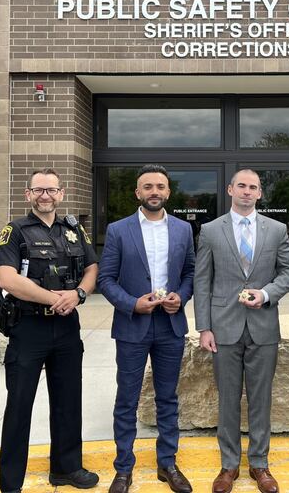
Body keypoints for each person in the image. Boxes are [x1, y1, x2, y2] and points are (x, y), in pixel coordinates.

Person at [0, 168, 99, 493]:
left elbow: (92, 267)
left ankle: (66, 469)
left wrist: (78, 294)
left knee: (69, 401)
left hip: (67, 328)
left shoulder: (74, 229)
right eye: (39, 190)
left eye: (51, 190)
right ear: (28, 194)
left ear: (61, 193)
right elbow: (8, 279)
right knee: (19, 404)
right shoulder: (14, 231)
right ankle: (11, 482)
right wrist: (55, 299)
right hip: (29, 328)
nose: (45, 195)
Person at [194, 169, 289, 493]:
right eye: (242, 185)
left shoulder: (277, 229)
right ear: (230, 189)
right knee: (227, 400)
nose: (247, 191)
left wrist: (266, 294)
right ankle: (228, 466)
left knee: (260, 399)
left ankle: (259, 464)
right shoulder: (210, 230)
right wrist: (204, 327)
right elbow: (202, 281)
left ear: (260, 194)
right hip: (223, 329)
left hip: (263, 327)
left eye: (253, 187)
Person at [97, 165, 195, 493]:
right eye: (148, 186)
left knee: (168, 397)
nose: (155, 191)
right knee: (127, 398)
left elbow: (190, 273)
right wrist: (132, 304)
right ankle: (123, 467)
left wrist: (180, 297)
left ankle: (167, 463)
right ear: (137, 193)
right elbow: (106, 279)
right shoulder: (118, 230)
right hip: (132, 325)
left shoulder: (183, 229)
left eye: (161, 186)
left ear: (168, 192)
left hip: (170, 325)